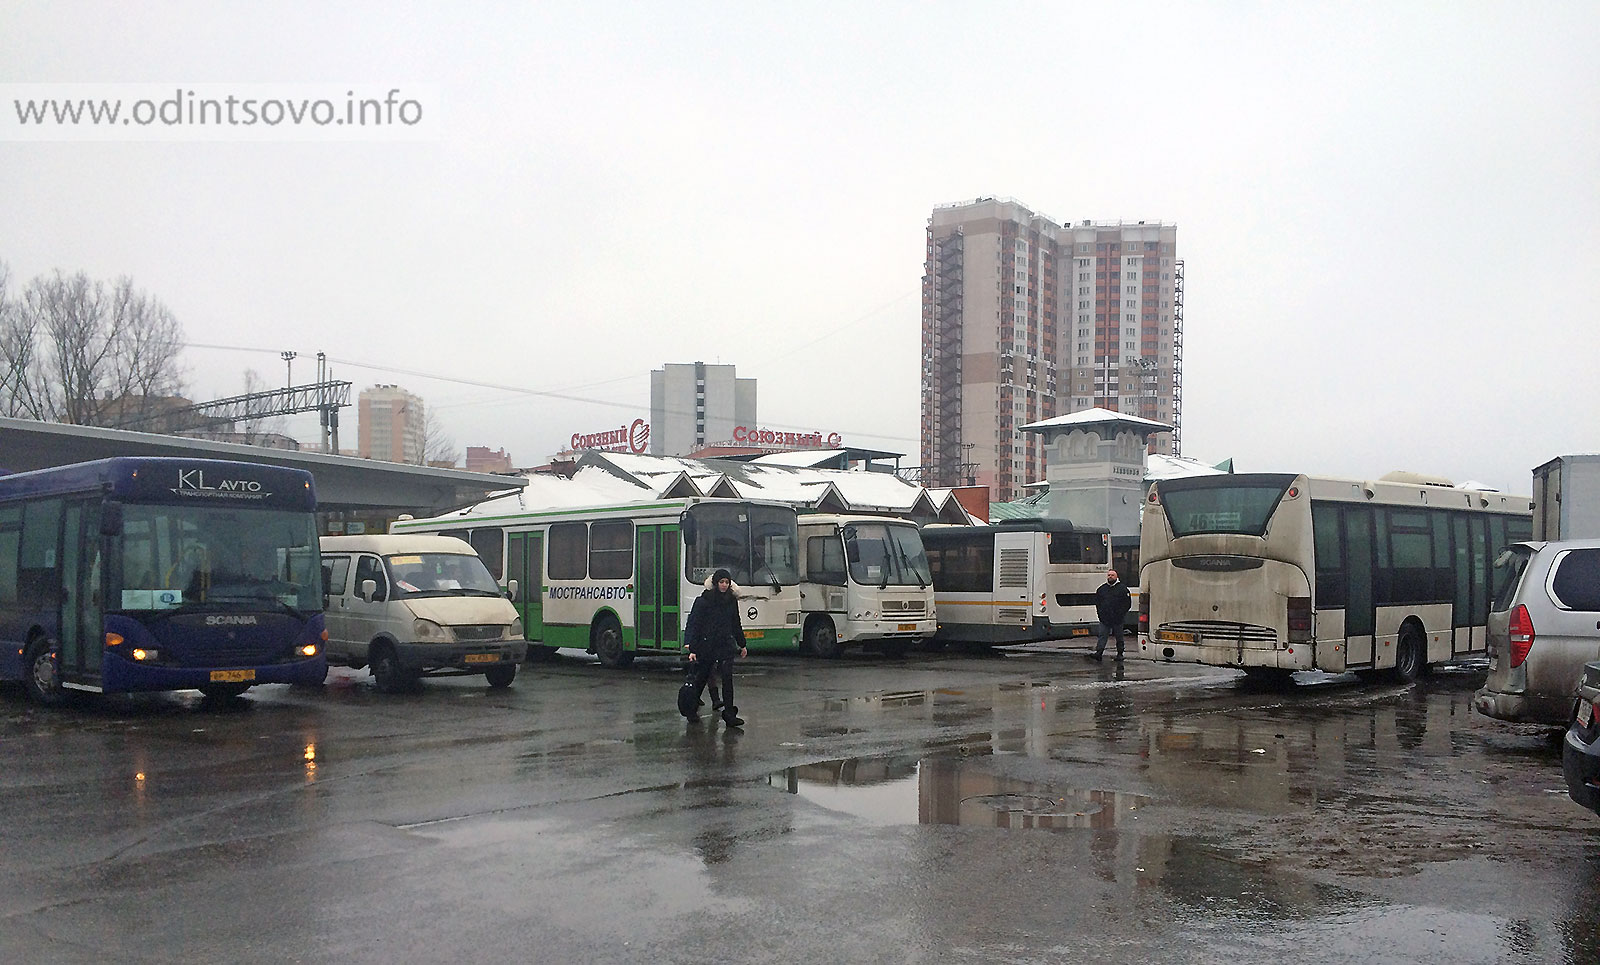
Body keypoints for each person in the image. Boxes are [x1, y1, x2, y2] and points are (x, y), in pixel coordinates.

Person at [681, 568, 748, 726]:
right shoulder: (704, 600)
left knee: (727, 679)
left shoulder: (731, 601)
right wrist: (691, 646)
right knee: (702, 676)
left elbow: (735, 623)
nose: (724, 585)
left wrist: (742, 644)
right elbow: (694, 623)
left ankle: (730, 714)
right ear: (716, 583)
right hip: (707, 644)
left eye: (727, 582)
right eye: (721, 582)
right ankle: (691, 710)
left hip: (725, 644)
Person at [1092, 569, 1132, 662]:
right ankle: (1099, 653)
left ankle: (1120, 654)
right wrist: (1100, 615)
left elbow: (1127, 604)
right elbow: (1098, 603)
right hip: (1105, 619)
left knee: (1119, 636)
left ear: (1116, 577)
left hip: (1117, 619)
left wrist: (1120, 614)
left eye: (1112, 575)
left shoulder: (1122, 589)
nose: (1110, 577)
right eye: (1109, 575)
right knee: (1102, 635)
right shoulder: (1102, 589)